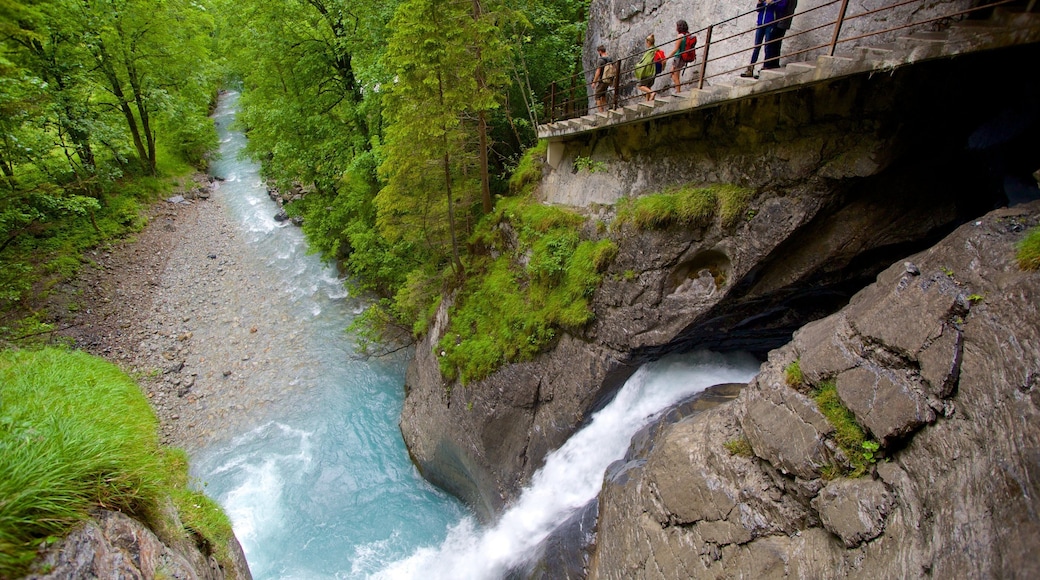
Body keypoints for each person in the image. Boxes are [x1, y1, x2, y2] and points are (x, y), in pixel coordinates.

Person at [763, 0, 797, 70]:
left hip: (779, 22)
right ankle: (774, 64)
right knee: (776, 44)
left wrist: (771, 2)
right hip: (783, 22)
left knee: (771, 43)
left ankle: (768, 65)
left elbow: (781, 7)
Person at [667, 20, 698, 94]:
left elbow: (676, 49)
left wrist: (666, 58)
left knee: (675, 74)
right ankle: (678, 90)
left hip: (678, 57)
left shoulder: (680, 36)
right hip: (684, 57)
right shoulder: (688, 35)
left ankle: (678, 91)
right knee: (675, 73)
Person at [740, 1, 768, 78]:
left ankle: (764, 68)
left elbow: (780, 8)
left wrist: (771, 2)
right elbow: (758, 9)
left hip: (770, 23)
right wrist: (759, 3)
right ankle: (750, 69)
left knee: (767, 46)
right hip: (760, 23)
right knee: (757, 46)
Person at [635, 34, 658, 102]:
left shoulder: (649, 51)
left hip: (648, 72)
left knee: (639, 85)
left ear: (648, 42)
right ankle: (647, 101)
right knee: (648, 86)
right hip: (654, 71)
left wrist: (638, 66)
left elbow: (646, 62)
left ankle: (652, 93)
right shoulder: (656, 49)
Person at [592, 45, 614, 112]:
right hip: (608, 79)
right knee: (603, 94)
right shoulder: (610, 59)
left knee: (597, 96)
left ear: (600, 51)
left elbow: (598, 72)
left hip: (602, 79)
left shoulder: (600, 60)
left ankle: (601, 112)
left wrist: (594, 82)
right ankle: (605, 109)